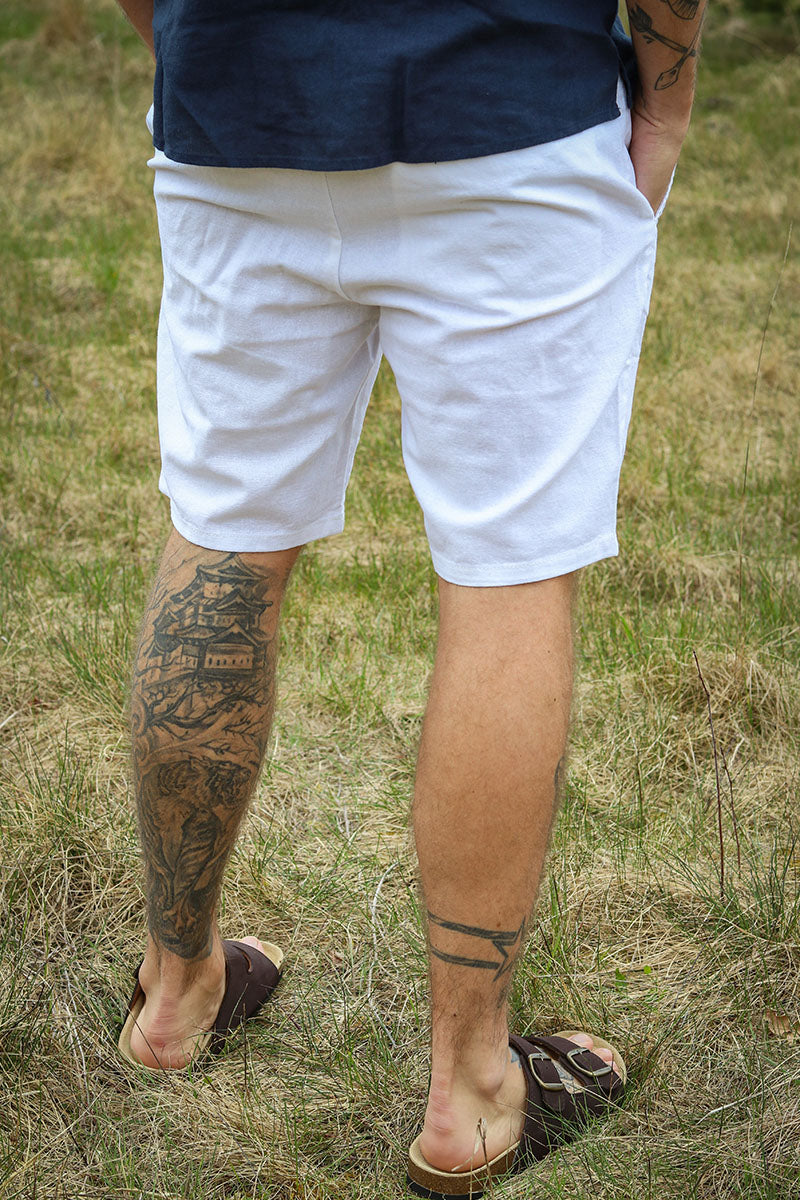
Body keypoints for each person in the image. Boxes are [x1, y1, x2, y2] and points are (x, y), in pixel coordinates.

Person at [113, 1, 705, 1193]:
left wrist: (188, 40)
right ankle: (469, 1091)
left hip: (238, 107)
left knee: (224, 540)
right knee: (506, 570)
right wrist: (667, 92)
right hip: (510, 110)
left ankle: (173, 994)